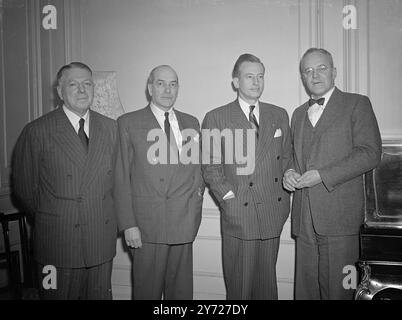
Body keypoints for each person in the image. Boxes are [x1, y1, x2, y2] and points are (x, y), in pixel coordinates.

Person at [12, 62, 118, 299]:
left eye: (87, 84)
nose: (82, 90)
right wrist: (57, 214)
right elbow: (25, 189)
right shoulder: (37, 131)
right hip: (58, 243)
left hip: (100, 241)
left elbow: (118, 184)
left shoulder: (111, 128)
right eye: (73, 84)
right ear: (60, 91)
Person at [283, 48, 382, 300]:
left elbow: (370, 153)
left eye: (321, 68)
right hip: (304, 219)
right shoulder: (296, 114)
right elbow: (294, 158)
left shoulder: (357, 103)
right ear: (302, 78)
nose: (314, 75)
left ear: (334, 72)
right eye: (308, 71)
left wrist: (322, 175)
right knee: (306, 293)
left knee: (340, 292)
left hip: (341, 220)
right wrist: (289, 172)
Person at [202, 54, 292, 299]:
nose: (256, 82)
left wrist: (287, 186)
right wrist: (229, 199)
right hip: (239, 211)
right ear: (235, 81)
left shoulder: (279, 114)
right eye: (249, 76)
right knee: (240, 288)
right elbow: (210, 166)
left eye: (260, 76)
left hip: (272, 212)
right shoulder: (216, 117)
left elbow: (287, 159)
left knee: (267, 286)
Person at [114, 65, 204, 300]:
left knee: (181, 294)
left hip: (183, 222)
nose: (167, 89)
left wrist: (194, 212)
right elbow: (121, 177)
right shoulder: (128, 123)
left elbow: (197, 173)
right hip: (147, 227)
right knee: (147, 293)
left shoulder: (191, 122)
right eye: (161, 83)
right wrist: (128, 224)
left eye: (173, 84)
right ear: (150, 87)